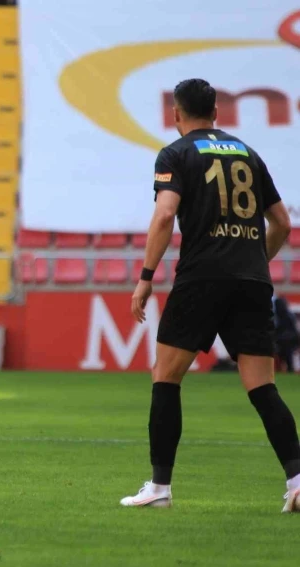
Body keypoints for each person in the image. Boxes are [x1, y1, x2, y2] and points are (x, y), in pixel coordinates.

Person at [122, 78, 300, 513]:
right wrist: (255, 261)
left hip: (201, 278)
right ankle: (298, 481)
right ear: (217, 113)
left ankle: (159, 488)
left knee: (166, 377)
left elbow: (164, 215)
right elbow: (281, 221)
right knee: (263, 387)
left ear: (176, 115)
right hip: (252, 282)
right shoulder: (247, 153)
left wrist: (145, 277)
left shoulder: (176, 153)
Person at [273, 295, 300, 372]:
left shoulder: (286, 316)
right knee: (285, 360)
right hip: (284, 341)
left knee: (287, 360)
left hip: (287, 342)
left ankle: (288, 369)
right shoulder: (280, 316)